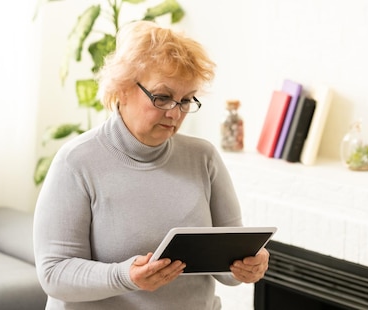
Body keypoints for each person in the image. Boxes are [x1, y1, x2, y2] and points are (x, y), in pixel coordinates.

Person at [33, 20, 269, 309]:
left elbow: (227, 266)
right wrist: (125, 276)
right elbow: (54, 273)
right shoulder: (76, 162)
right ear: (121, 89)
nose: (175, 113)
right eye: (163, 97)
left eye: (185, 100)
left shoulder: (203, 158)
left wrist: (247, 265)